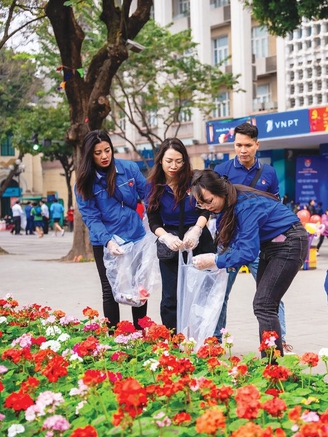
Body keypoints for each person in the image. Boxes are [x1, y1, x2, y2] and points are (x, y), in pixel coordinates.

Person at [190, 169, 308, 358]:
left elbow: (247, 251)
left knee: (264, 304)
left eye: (209, 201)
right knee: (265, 305)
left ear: (220, 190)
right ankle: (272, 363)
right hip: (272, 246)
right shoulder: (231, 204)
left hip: (289, 243)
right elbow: (237, 243)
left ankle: (273, 366)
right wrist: (220, 262)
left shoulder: (246, 205)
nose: (207, 207)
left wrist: (216, 260)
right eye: (202, 204)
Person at [213, 122, 291, 352]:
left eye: (248, 145)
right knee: (220, 294)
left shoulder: (268, 172)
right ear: (233, 144)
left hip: (260, 243)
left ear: (257, 145)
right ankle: (215, 340)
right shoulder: (222, 170)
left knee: (272, 293)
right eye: (238, 145)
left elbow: (275, 204)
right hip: (229, 242)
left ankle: (279, 340)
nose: (243, 150)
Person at [75, 129, 148, 330]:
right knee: (109, 289)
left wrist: (154, 225)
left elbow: (149, 195)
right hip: (106, 242)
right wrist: (108, 241)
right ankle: (115, 337)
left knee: (138, 287)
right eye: (98, 153)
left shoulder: (130, 169)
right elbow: (91, 216)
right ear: (90, 155)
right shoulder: (84, 183)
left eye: (107, 150)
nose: (104, 156)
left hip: (135, 237)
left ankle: (140, 334)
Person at [145, 138, 215, 332]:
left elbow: (206, 209)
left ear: (185, 161)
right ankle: (173, 339)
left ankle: (202, 337)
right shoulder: (153, 186)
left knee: (202, 291)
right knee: (170, 296)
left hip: (198, 241)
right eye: (169, 161)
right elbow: (153, 221)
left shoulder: (195, 181)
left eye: (179, 161)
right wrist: (165, 237)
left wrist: (197, 230)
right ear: (160, 160)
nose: (173, 166)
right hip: (172, 244)